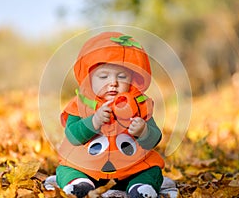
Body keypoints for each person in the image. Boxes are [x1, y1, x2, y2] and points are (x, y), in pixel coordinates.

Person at [56, 32, 165, 198]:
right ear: (89, 79)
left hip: (130, 170)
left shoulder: (139, 104)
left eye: (121, 76)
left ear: (132, 80)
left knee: (152, 169)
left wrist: (144, 131)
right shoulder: (80, 104)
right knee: (65, 168)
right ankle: (78, 183)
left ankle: (140, 186)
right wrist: (94, 121)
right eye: (103, 76)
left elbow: (155, 138)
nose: (113, 82)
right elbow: (72, 136)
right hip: (87, 167)